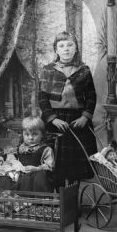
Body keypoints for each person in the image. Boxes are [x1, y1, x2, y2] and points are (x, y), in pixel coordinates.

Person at [38, 30, 97, 183]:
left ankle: (73, 197)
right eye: (62, 45)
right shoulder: (48, 70)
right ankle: (59, 199)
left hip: (77, 121)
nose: (66, 49)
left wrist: (85, 117)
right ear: (56, 50)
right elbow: (42, 98)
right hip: (55, 121)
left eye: (70, 45)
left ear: (76, 48)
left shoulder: (84, 70)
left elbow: (91, 96)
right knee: (55, 162)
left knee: (75, 166)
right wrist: (53, 119)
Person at [0, 115, 55, 193]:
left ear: (42, 134)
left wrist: (36, 168)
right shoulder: (20, 148)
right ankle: (3, 197)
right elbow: (11, 157)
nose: (30, 138)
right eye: (27, 134)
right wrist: (5, 161)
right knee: (4, 179)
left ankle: (37, 200)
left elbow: (50, 166)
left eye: (35, 134)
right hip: (20, 175)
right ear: (23, 134)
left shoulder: (45, 149)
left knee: (39, 176)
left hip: (34, 177)